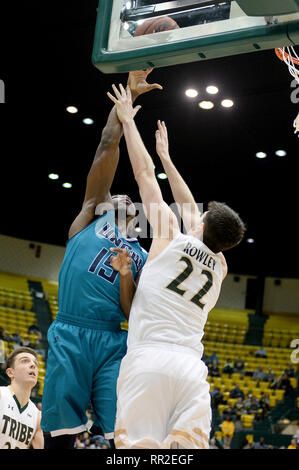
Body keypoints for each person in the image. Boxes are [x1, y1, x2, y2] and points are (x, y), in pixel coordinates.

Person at [107, 84, 246, 448]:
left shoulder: (169, 234)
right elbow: (189, 207)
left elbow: (144, 175)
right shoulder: (221, 264)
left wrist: (128, 121)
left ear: (200, 226)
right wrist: (167, 158)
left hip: (148, 359)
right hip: (190, 372)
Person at [40, 70, 162, 449]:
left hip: (113, 340)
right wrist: (125, 100)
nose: (124, 197)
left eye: (130, 197)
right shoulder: (92, 214)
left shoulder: (143, 256)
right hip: (72, 330)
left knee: (120, 433)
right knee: (60, 430)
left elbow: (131, 311)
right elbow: (108, 145)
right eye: (118, 195)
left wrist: (127, 274)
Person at [0, 347, 43, 449]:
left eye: (35, 364)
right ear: (11, 372)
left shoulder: (38, 417)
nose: (33, 365)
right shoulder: (1, 395)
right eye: (24, 361)